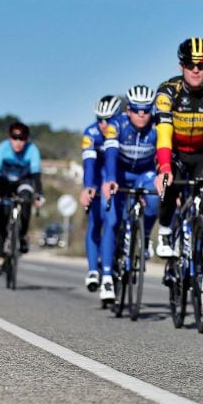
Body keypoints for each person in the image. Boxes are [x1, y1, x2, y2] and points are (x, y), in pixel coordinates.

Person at [153, 38, 203, 258]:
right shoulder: (168, 91)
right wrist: (164, 168)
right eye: (190, 65)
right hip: (175, 152)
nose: (196, 70)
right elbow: (163, 134)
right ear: (182, 66)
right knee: (170, 184)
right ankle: (166, 230)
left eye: (202, 65)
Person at [100, 85, 160, 300]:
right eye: (136, 110)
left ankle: (144, 235)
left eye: (146, 110)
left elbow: (164, 155)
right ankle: (106, 277)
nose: (142, 115)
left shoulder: (157, 126)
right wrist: (111, 179)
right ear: (128, 110)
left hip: (144, 174)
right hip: (120, 173)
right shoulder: (117, 125)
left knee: (155, 195)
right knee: (113, 221)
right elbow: (111, 154)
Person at [0, 121, 44, 275]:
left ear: (26, 139)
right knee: (3, 217)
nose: (18, 142)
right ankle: (1, 257)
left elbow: (36, 175)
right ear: (10, 138)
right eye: (15, 138)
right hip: (4, 183)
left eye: (22, 139)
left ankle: (22, 234)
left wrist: (39, 195)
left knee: (26, 200)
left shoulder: (32, 150)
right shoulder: (3, 148)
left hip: (23, 182)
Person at [79, 95, 122, 291]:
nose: (104, 124)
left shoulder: (122, 130)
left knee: (113, 221)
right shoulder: (90, 133)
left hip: (115, 178)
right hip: (96, 178)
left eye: (109, 119)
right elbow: (88, 164)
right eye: (100, 119)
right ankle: (93, 270)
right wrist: (88, 186)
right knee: (96, 221)